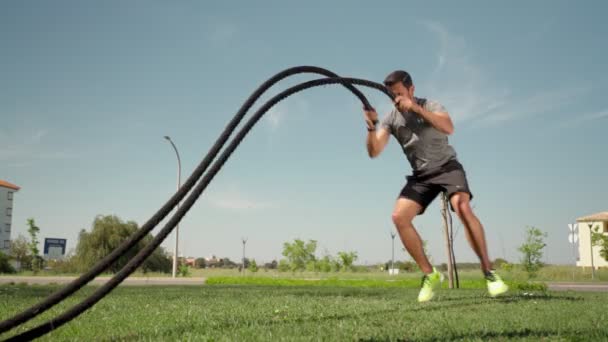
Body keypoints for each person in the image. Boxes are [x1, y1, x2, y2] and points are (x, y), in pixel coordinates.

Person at [364, 70, 508, 302]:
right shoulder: (391, 118)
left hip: (447, 168)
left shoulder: (431, 104)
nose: (397, 100)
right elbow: (374, 151)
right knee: (399, 217)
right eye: (392, 96)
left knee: (461, 206)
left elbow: (448, 127)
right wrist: (371, 127)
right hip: (421, 176)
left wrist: (416, 109)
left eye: (400, 94)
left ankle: (489, 273)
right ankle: (429, 275)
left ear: (411, 90)